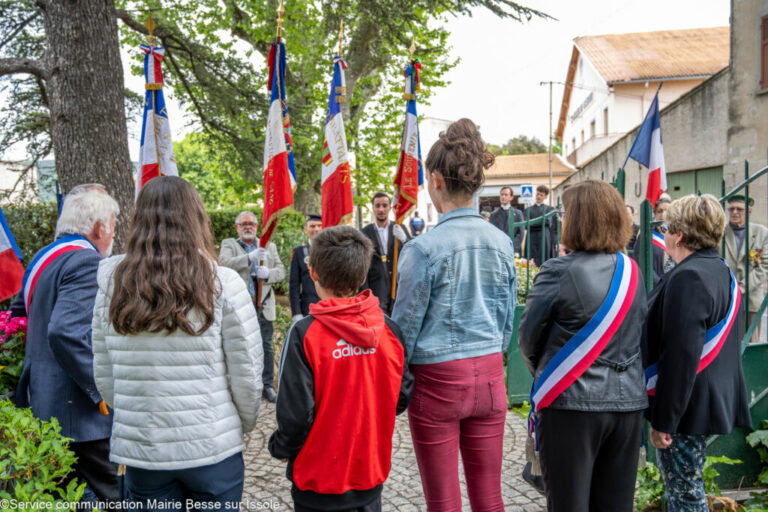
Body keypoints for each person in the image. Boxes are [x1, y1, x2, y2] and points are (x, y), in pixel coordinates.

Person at [92, 177, 263, 511]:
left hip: (145, 449)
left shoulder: (113, 285)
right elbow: (247, 372)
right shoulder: (222, 282)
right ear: (195, 218)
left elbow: (105, 374)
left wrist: (137, 413)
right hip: (211, 447)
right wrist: (240, 424)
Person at [391, 118, 516, 511]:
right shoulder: (502, 242)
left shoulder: (422, 249)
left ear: (436, 181)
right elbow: (507, 318)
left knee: (443, 500)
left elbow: (404, 329)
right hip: (490, 372)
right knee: (489, 496)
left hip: (438, 380)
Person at [519, 180, 648, 512]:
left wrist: (551, 375)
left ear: (577, 219)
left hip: (571, 408)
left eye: (565, 213)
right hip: (627, 406)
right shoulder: (632, 271)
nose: (561, 219)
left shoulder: (557, 271)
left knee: (569, 504)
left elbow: (528, 340)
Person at [269, 226, 413, 512]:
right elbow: (401, 396)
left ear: (313, 274)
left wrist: (281, 447)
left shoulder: (304, 333)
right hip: (369, 475)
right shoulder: (389, 329)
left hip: (318, 482)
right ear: (362, 277)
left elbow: (295, 413)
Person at [12, 188, 120, 502]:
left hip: (44, 406)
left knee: (68, 499)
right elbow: (65, 333)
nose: (112, 232)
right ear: (100, 227)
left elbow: (19, 319)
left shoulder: (43, 258)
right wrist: (99, 387)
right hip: (84, 418)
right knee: (118, 497)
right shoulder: (86, 261)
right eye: (112, 224)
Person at [644, 194, 750, 512]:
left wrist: (664, 419)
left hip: (686, 407)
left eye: (665, 228)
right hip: (704, 399)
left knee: (685, 491)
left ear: (678, 235)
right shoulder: (720, 270)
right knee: (686, 487)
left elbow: (682, 354)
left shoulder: (687, 276)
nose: (663, 235)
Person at [219, 211, 285, 403]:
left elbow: (281, 271)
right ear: (236, 227)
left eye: (251, 224)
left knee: (266, 345)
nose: (248, 227)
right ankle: (244, 388)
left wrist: (269, 273)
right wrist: (249, 258)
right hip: (239, 306)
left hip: (263, 303)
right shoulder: (229, 244)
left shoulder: (268, 246)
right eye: (243, 224)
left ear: (257, 227)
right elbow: (224, 264)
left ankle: (266, 385)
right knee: (240, 345)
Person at [723, 195, 768, 343]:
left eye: (740, 209)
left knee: (750, 342)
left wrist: (744, 286)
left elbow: (764, 266)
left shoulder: (762, 233)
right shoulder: (721, 233)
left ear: (748, 212)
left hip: (751, 298)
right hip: (726, 297)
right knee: (727, 342)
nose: (735, 212)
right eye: (732, 209)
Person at [361, 192, 410, 315]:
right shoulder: (364, 233)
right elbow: (361, 266)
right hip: (376, 290)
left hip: (398, 288)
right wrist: (365, 293)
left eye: (384, 205)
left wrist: (405, 240)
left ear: (390, 207)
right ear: (373, 208)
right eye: (377, 206)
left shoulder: (399, 228)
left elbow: (412, 252)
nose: (381, 209)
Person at [632, 194, 673, 285]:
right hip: (657, 287)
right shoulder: (646, 235)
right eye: (660, 211)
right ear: (654, 213)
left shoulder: (678, 234)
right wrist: (661, 285)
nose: (663, 214)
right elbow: (641, 264)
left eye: (667, 211)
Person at [290, 214, 323, 323]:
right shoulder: (298, 252)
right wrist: (296, 312)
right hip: (307, 309)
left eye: (319, 226)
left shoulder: (331, 251)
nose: (316, 229)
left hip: (327, 305)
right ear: (306, 229)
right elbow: (294, 285)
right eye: (312, 226)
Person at [524, 185, 556, 266]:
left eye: (541, 195)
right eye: (537, 194)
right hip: (531, 238)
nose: (538, 196)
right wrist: (541, 223)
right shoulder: (528, 210)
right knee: (531, 261)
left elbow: (547, 222)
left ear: (545, 197)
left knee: (544, 260)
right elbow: (526, 224)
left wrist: (532, 223)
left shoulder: (549, 209)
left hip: (544, 238)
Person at [490, 186, 525, 255]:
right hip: (499, 250)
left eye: (506, 195)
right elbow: (492, 233)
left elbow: (520, 233)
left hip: (514, 250)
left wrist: (513, 247)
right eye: (502, 194)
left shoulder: (518, 213)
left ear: (511, 197)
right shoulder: (494, 214)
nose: (503, 197)